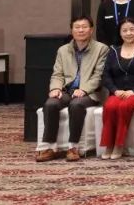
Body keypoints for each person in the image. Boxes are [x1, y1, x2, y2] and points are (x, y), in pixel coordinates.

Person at [36, 16, 109, 162]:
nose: (81, 30)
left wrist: (84, 89)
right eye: (77, 27)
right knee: (50, 104)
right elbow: (57, 74)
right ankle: (50, 147)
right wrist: (55, 88)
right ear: (72, 30)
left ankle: (73, 147)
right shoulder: (63, 50)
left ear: (91, 30)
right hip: (68, 90)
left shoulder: (101, 49)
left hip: (91, 92)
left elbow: (99, 76)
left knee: (77, 104)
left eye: (84, 27)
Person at [98, 17, 134, 160]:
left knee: (124, 106)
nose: (128, 33)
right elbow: (106, 75)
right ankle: (108, 144)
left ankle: (119, 144)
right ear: (120, 32)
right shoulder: (113, 50)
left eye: (132, 29)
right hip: (117, 92)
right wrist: (115, 90)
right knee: (110, 106)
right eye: (124, 30)